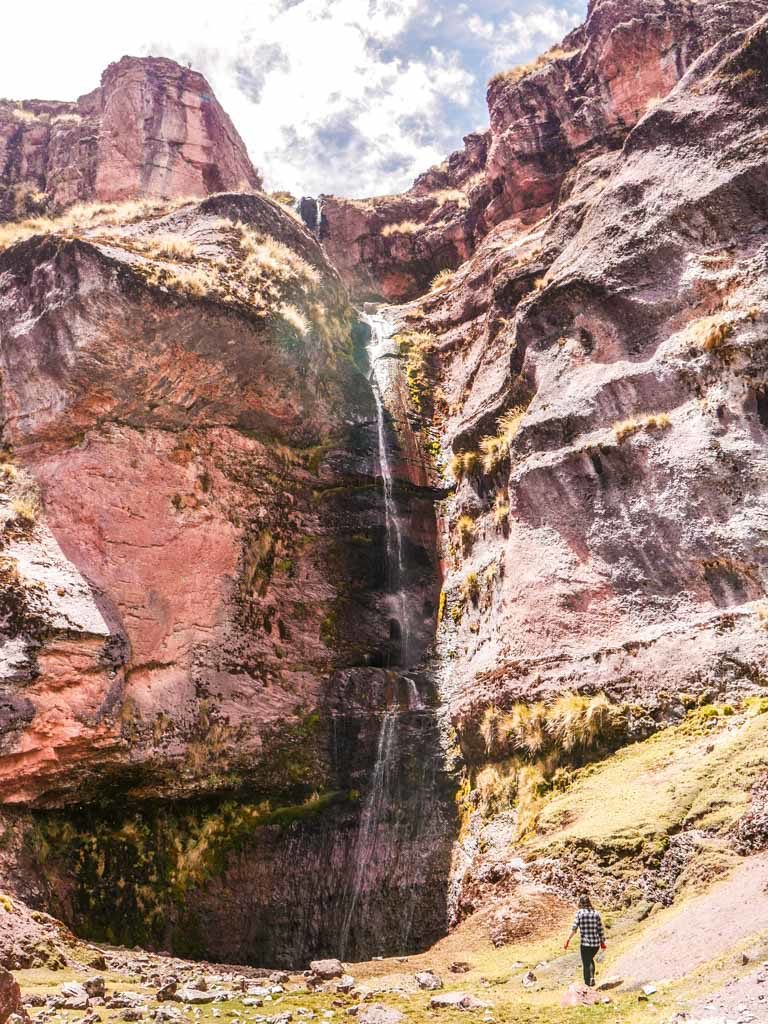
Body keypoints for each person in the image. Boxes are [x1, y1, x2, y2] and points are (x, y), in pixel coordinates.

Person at [564, 893, 606, 987]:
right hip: (596, 944)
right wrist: (602, 942)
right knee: (590, 960)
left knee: (586, 963)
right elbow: (600, 929)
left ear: (581, 903)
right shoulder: (596, 913)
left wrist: (568, 940)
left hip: (585, 943)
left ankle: (587, 985)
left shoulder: (579, 913)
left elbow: (574, 929)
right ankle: (592, 978)